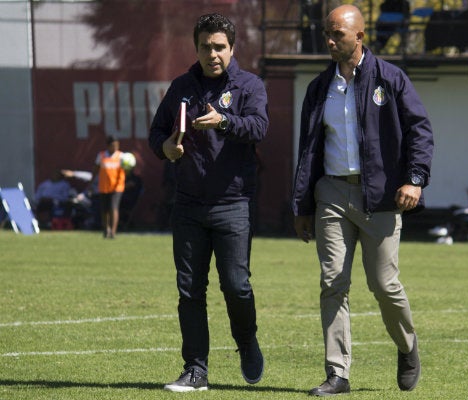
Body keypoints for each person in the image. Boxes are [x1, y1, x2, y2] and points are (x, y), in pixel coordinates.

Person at [292, 4, 434, 396]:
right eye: (328, 33)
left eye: (338, 33)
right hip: (332, 194)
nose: (330, 40)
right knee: (333, 282)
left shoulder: (390, 78)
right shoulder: (319, 88)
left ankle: (407, 346)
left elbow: (420, 131)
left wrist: (415, 180)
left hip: (382, 197)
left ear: (360, 36)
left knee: (384, 284)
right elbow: (307, 151)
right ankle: (338, 373)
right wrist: (303, 206)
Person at [148, 13, 268, 393]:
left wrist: (224, 121)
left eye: (219, 47)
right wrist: (165, 147)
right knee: (189, 291)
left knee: (236, 286)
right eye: (205, 46)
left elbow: (259, 127)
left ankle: (247, 343)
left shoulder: (250, 85)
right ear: (196, 47)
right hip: (187, 205)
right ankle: (195, 370)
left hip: (233, 204)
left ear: (232, 49)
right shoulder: (181, 87)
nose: (212, 53)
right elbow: (156, 132)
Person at [92, 135, 126, 239]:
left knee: (113, 207)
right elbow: (96, 169)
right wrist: (91, 183)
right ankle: (106, 229)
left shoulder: (121, 156)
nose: (115, 147)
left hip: (117, 187)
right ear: (108, 146)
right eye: (112, 145)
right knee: (104, 209)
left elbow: (126, 170)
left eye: (117, 145)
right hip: (104, 186)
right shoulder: (102, 155)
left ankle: (113, 231)